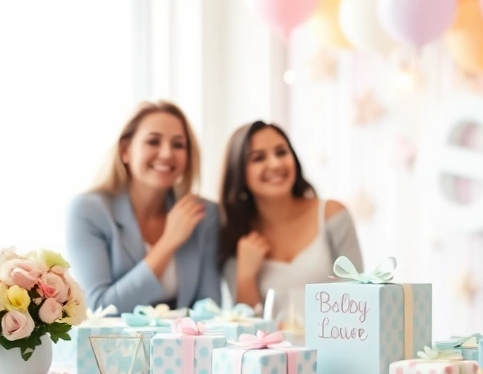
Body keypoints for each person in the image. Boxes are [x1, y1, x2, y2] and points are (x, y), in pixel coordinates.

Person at [66, 101, 220, 313]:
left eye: (178, 145)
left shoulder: (203, 213)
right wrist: (168, 243)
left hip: (186, 336)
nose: (167, 153)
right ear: (125, 151)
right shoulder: (88, 211)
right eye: (153, 141)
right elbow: (100, 307)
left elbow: (210, 309)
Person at [219, 120, 363, 323]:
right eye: (258, 158)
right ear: (239, 172)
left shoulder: (331, 214)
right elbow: (248, 327)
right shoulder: (234, 235)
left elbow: (359, 299)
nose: (275, 164)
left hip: (337, 341)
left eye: (281, 152)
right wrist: (245, 277)